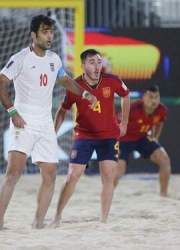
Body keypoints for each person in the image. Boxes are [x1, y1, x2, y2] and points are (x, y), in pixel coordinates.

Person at [0, 15, 97, 230]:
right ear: (34, 35)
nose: (49, 36)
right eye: (45, 32)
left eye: (51, 32)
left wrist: (85, 94)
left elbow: (65, 80)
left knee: (50, 174)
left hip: (45, 122)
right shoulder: (20, 58)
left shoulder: (54, 59)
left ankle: (38, 223)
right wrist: (13, 112)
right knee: (13, 173)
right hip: (24, 120)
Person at [51, 49, 130, 226]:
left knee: (108, 176)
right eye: (92, 62)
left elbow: (126, 95)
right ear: (83, 65)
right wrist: (52, 133)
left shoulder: (112, 80)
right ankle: (57, 216)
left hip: (109, 135)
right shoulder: (75, 86)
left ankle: (103, 220)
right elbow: (62, 110)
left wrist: (124, 123)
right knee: (73, 175)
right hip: (84, 135)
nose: (96, 66)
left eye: (99, 62)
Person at [114, 85, 171, 197]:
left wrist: (155, 137)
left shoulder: (162, 110)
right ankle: (108, 193)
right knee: (120, 169)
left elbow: (159, 123)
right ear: (144, 97)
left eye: (156, 97)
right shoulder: (132, 109)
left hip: (142, 138)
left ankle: (163, 195)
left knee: (164, 160)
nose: (154, 100)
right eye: (150, 97)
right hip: (123, 139)